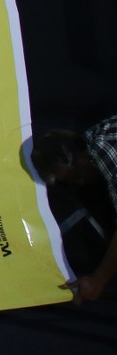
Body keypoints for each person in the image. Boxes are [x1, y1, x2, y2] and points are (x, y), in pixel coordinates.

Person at [32, 116, 117, 304]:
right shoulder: (99, 132)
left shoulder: (103, 153)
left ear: (79, 156)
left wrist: (98, 280)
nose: (81, 182)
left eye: (76, 176)